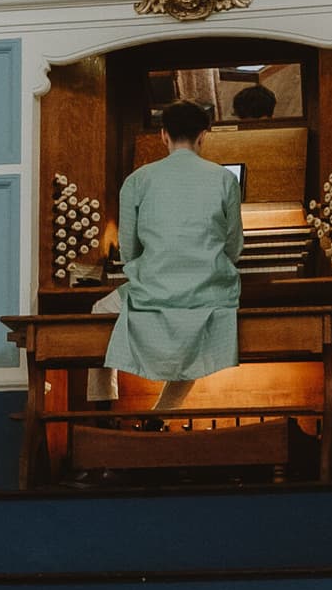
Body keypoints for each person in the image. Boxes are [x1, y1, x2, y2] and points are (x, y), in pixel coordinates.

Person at [104, 99, 243, 413]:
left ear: (163, 135)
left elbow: (128, 252)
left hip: (153, 291)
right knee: (196, 334)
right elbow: (234, 248)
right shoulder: (224, 178)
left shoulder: (137, 180)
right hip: (210, 293)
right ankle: (162, 413)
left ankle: (104, 407)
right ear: (203, 136)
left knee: (96, 314)